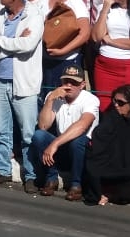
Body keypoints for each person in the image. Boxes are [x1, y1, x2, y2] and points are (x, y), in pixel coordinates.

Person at [0, 0, 45, 189]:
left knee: (27, 132)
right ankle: (3, 170)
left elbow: (28, 44)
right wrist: (10, 43)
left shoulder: (35, 15)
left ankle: (31, 175)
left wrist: (1, 42)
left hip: (24, 82)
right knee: (0, 129)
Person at [27, 65, 100, 200]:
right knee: (39, 136)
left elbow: (82, 126)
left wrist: (55, 143)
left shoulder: (90, 99)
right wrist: (50, 100)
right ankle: (51, 179)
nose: (68, 86)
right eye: (66, 81)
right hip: (62, 147)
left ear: (82, 84)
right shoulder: (54, 96)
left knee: (78, 140)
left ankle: (76, 184)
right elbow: (43, 125)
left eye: (74, 83)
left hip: (82, 149)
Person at [82, 84, 130, 208]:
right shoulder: (115, 117)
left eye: (121, 103)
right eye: (114, 101)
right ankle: (106, 190)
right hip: (120, 154)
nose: (116, 105)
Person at [41, 0, 90, 99]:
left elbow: (85, 33)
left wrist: (63, 50)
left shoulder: (76, 3)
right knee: (45, 99)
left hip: (66, 62)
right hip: (44, 59)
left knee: (62, 101)